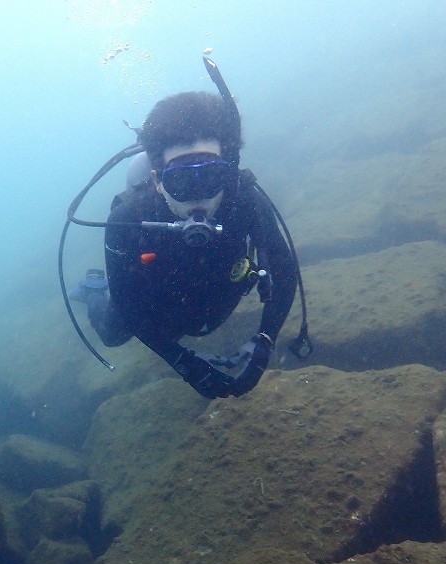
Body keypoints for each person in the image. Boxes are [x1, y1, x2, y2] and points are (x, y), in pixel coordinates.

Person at [71, 89, 298, 399]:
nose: (198, 198)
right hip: (155, 300)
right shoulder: (127, 220)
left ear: (228, 173)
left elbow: (285, 272)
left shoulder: (246, 200)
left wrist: (265, 341)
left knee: (202, 320)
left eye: (210, 177)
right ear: (157, 180)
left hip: (214, 293)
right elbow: (128, 305)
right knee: (112, 333)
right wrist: (182, 361)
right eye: (180, 182)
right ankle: (94, 287)